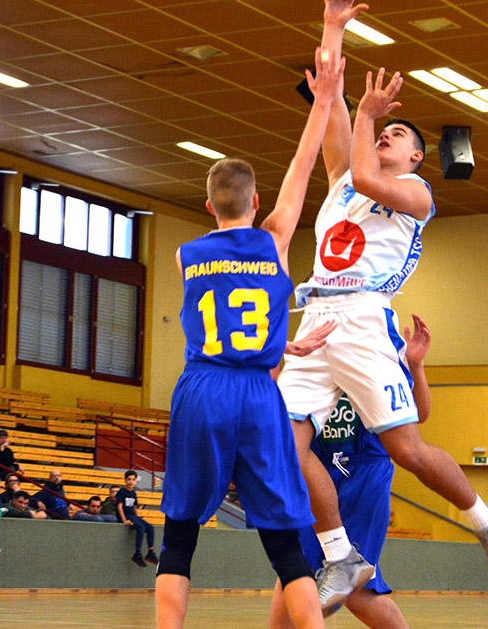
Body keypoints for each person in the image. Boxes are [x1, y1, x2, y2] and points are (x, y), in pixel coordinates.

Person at [278, 0, 488, 610]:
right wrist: (333, 25)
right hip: (316, 317)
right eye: (382, 129)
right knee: (282, 443)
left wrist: (366, 116)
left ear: (415, 156)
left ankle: (486, 520)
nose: (385, 133)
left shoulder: (416, 193)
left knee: (405, 449)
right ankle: (340, 554)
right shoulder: (343, 180)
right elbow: (330, 95)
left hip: (363, 318)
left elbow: (366, 170)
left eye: (398, 133)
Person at [156, 45, 346, 629]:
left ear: (207, 205)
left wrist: (278, 342)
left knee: (179, 537)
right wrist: (323, 99)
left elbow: (225, 318)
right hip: (260, 393)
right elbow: (303, 167)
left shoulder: (188, 255)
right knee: (286, 542)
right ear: (257, 202)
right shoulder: (274, 239)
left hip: (202, 388)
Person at [271, 315, 431, 629]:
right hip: (316, 468)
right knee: (294, 569)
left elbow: (421, 414)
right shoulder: (307, 350)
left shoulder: (378, 348)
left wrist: (416, 366)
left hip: (364, 471)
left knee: (355, 590)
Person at [117, 470, 157, 566]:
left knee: (150, 528)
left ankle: (150, 552)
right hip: (126, 515)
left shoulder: (133, 493)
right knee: (141, 528)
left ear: (136, 481)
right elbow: (119, 506)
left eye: (133, 479)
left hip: (133, 515)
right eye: (129, 479)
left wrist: (138, 517)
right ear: (125, 481)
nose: (131, 481)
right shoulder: (122, 492)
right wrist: (124, 520)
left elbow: (135, 506)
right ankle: (137, 553)